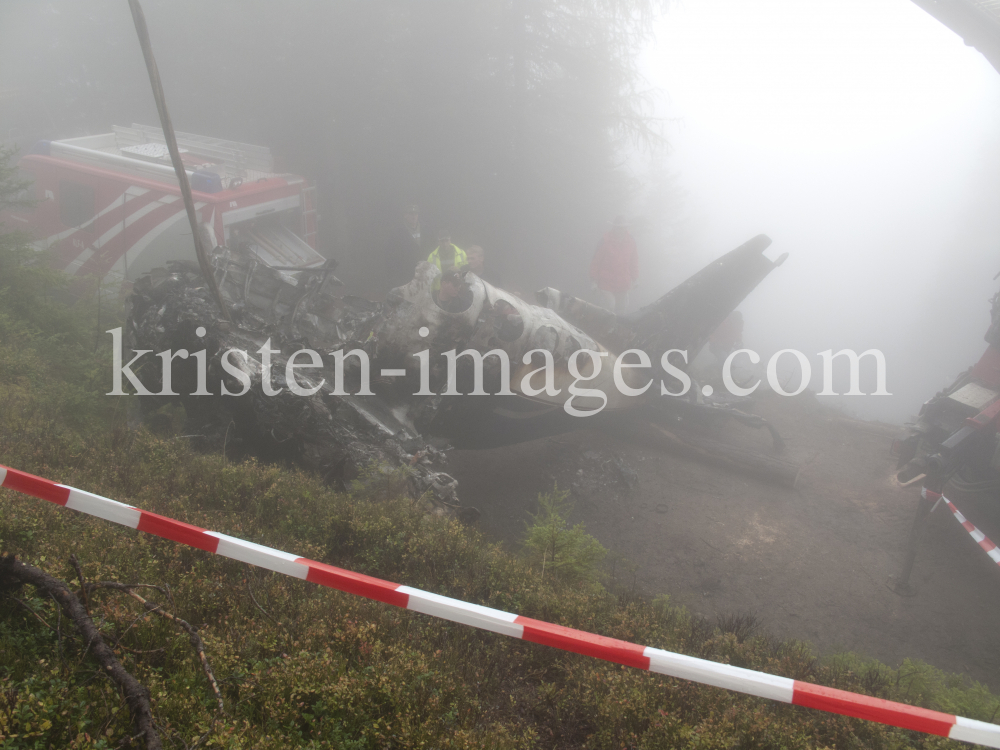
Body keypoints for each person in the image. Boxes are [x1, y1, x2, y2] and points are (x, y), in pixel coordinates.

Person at [589, 215, 638, 314]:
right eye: (619, 227)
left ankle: (614, 328)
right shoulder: (605, 241)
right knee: (609, 308)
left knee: (621, 309)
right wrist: (593, 280)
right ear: (614, 227)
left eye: (623, 227)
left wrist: (635, 279)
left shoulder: (631, 241)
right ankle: (602, 328)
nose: (621, 230)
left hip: (623, 283)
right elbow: (596, 262)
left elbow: (634, 261)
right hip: (606, 283)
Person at [384, 204, 422, 287]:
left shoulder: (425, 229)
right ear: (405, 215)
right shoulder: (397, 232)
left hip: (422, 273)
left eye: (415, 214)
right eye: (411, 214)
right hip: (405, 274)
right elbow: (391, 255)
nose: (414, 216)